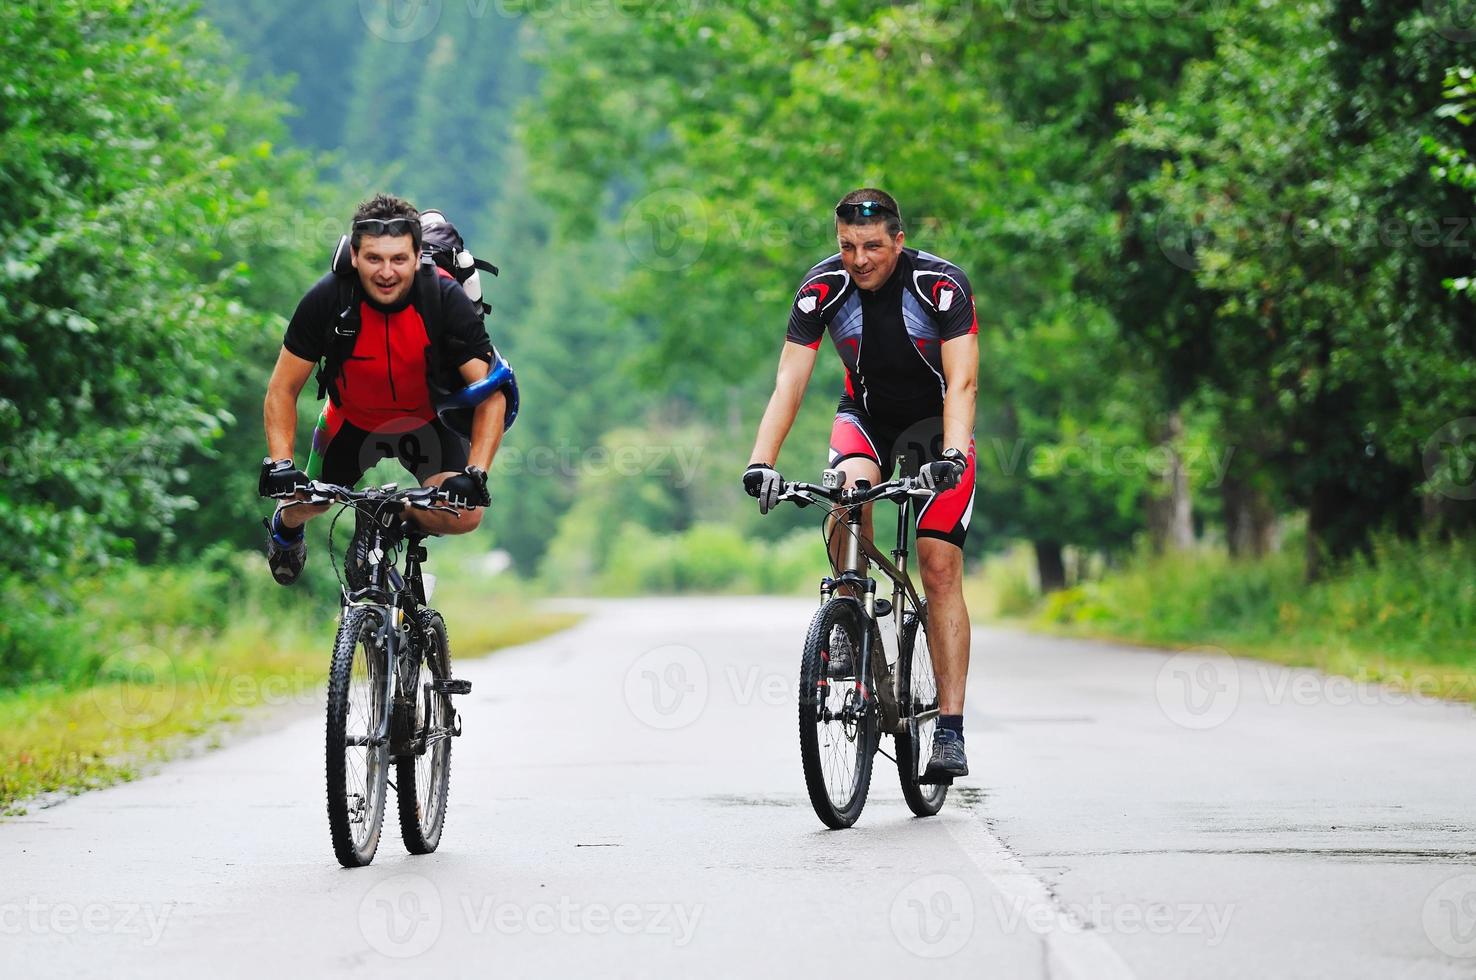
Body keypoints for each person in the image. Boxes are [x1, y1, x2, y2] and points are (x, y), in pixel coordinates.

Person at [743, 189, 979, 782]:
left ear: (898, 240)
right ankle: (848, 614)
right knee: (843, 498)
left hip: (934, 426)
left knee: (939, 564)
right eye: (847, 245)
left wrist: (951, 454)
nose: (859, 258)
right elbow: (789, 383)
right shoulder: (822, 288)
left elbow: (964, 383)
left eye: (873, 246)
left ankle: (948, 729)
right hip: (866, 418)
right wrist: (760, 461)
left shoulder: (940, 285)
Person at [259, 193, 512, 584]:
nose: (386, 272)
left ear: (416, 256)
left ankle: (394, 516)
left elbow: (491, 392)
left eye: (398, 259)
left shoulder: (443, 300)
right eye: (374, 259)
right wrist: (279, 464)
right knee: (305, 502)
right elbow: (281, 389)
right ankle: (286, 531)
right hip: (349, 421)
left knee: (466, 516)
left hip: (429, 419)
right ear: (355, 257)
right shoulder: (329, 298)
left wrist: (476, 473)